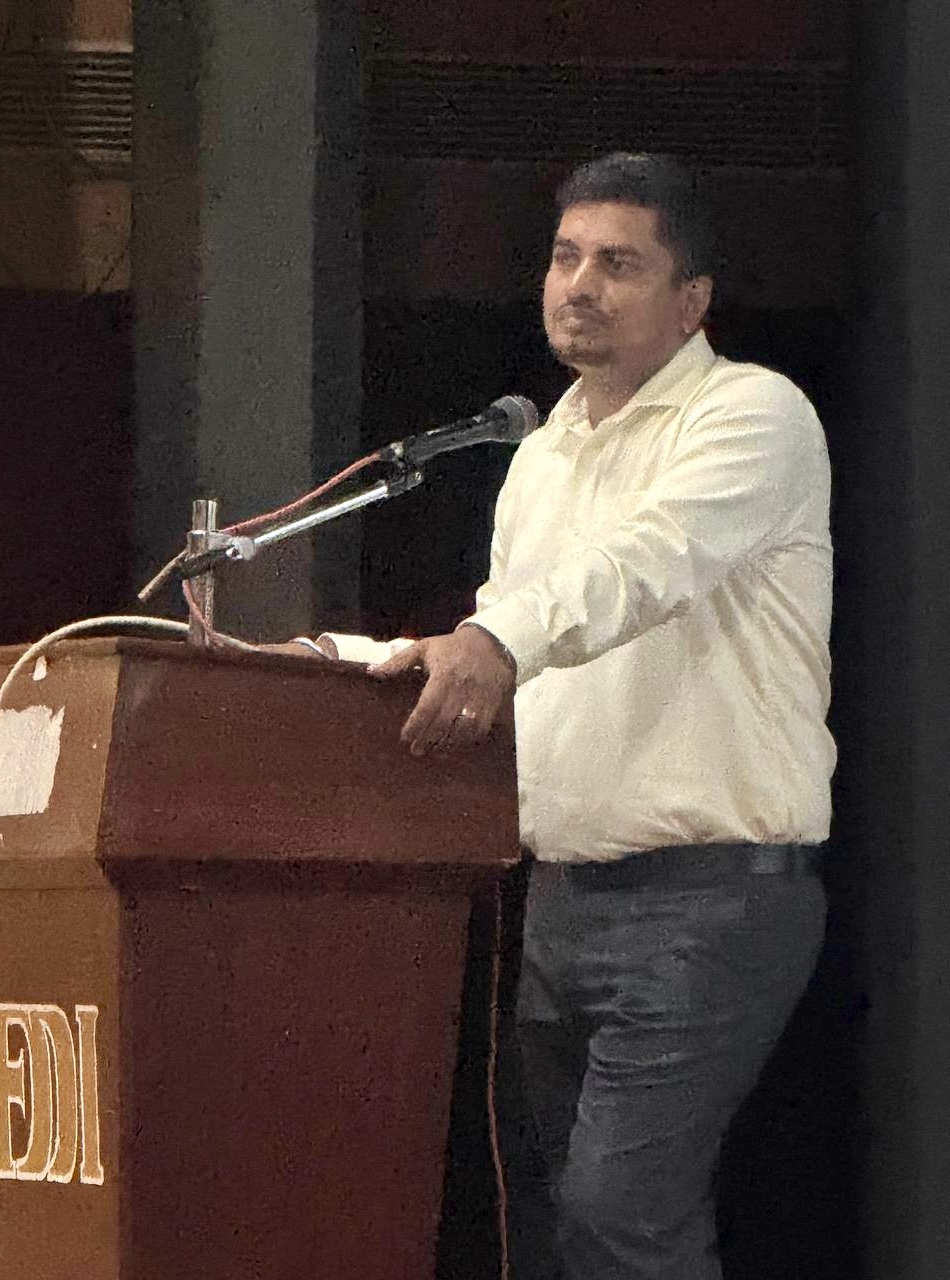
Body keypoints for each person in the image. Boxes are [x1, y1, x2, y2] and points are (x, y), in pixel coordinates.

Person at [313, 152, 836, 1280]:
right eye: (565, 258)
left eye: (618, 264)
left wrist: (495, 639)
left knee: (620, 1215)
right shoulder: (541, 452)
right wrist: (346, 667)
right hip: (562, 906)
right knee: (563, 1228)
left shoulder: (752, 414)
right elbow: (509, 642)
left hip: (709, 898)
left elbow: (642, 566)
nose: (580, 285)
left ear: (691, 300)